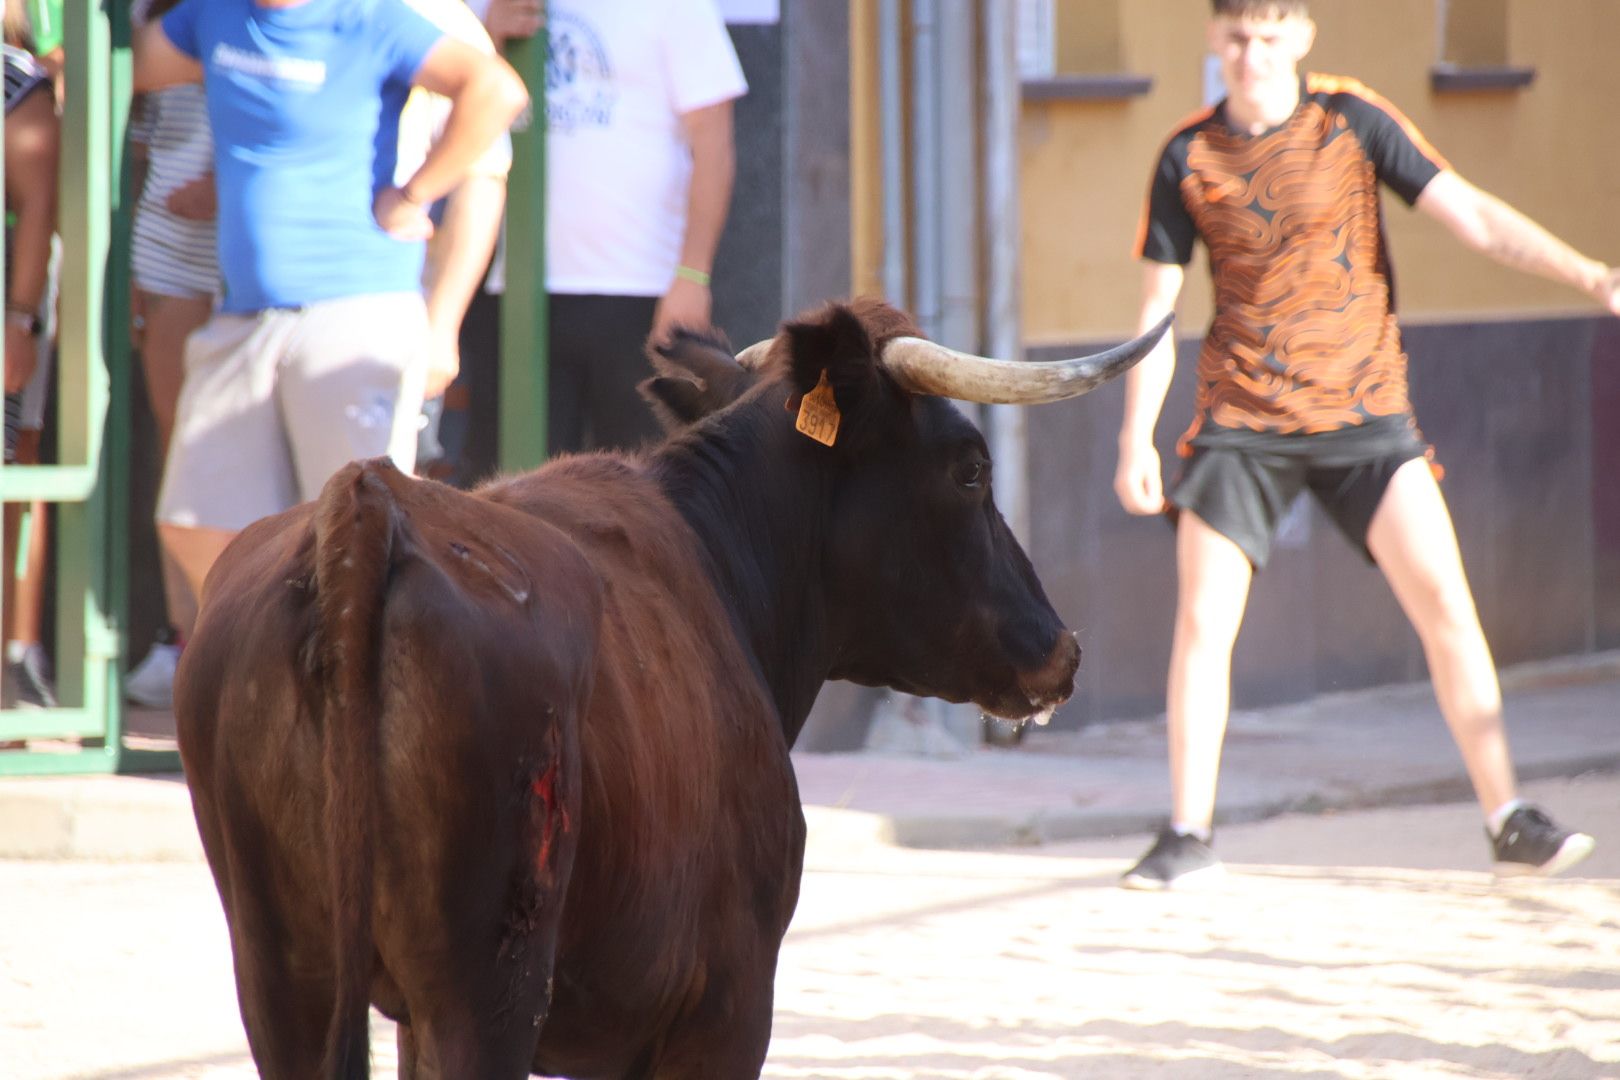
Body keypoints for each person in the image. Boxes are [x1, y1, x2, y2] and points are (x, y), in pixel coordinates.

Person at [1115, 0, 1619, 889]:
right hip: (1242, 421)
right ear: (1212, 40)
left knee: (1447, 608)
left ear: (1302, 35)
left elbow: (1474, 217)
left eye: (1270, 36)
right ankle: (1187, 834)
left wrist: (1589, 274)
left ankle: (1508, 816)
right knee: (1202, 624)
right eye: (1236, 37)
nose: (1251, 55)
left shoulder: (1352, 120)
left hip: (1366, 412)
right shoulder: (1185, 156)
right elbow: (1155, 313)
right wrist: (1134, 437)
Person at [132, 0, 528, 623]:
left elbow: (493, 108)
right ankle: (282, 657)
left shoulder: (391, 17)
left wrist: (415, 202)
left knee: (362, 531)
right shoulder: (213, 15)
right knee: (195, 517)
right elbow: (122, 63)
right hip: (246, 316)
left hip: (356, 316)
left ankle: (367, 694)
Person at [462, 0, 746, 459]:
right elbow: (439, 111)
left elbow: (714, 143)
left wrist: (693, 276)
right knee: (513, 494)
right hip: (512, 291)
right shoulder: (491, 5)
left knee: (647, 487)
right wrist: (484, 40)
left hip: (641, 290)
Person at [122, 0, 219, 710]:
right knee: (177, 445)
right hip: (166, 253)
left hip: (252, 246)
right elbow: (140, 141)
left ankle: (240, 634)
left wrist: (228, 188)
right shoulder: (155, 20)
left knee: (240, 445)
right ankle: (187, 641)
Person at [395, 0, 511, 480]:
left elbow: (483, 170)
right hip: (253, 306)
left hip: (390, 304)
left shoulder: (428, 14)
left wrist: (441, 326)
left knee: (380, 502)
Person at [2, 9, 60, 709]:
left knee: (18, 466)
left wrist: (18, 318)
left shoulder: (16, 83)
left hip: (8, 318)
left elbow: (41, 204)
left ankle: (15, 659)